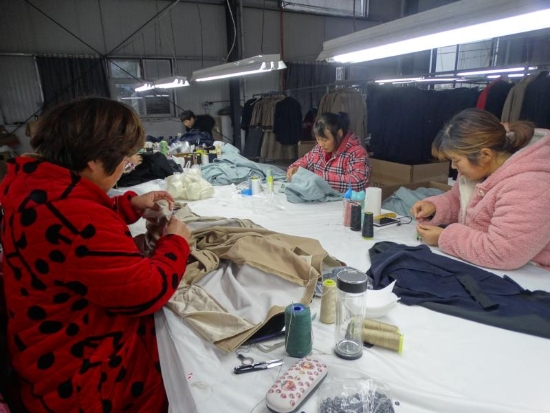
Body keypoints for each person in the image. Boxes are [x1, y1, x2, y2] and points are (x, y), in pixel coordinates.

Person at [0, 97, 192, 412]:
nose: (124, 170)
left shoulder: (33, 185)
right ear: (93, 161)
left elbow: (69, 235)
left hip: (40, 348)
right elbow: (145, 292)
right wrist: (176, 243)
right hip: (82, 379)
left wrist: (127, 205)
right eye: (125, 162)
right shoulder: (74, 214)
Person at [411, 108, 550, 271]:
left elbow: (503, 252)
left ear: (485, 155)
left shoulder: (530, 186)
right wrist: (434, 208)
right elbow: (459, 200)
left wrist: (444, 237)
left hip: (533, 274)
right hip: (487, 265)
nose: (454, 167)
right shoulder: (479, 169)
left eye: (456, 160)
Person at [286, 112, 371, 192]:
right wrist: (295, 168)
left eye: (325, 140)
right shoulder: (319, 149)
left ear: (339, 133)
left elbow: (357, 182)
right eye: (318, 139)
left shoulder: (356, 152)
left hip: (346, 201)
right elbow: (305, 160)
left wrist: (320, 179)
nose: (321, 144)